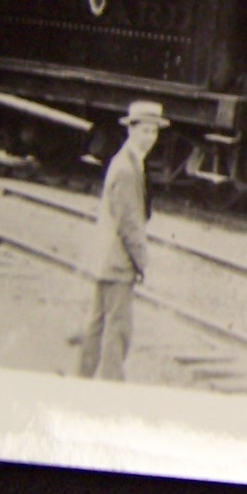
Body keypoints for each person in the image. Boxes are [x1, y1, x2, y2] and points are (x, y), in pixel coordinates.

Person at [77, 100, 167, 380]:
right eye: (145, 131)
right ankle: (111, 386)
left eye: (154, 132)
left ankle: (81, 378)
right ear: (131, 129)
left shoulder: (127, 161)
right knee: (119, 330)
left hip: (106, 258)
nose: (150, 138)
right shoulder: (128, 169)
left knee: (96, 323)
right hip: (118, 262)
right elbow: (130, 224)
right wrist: (142, 263)